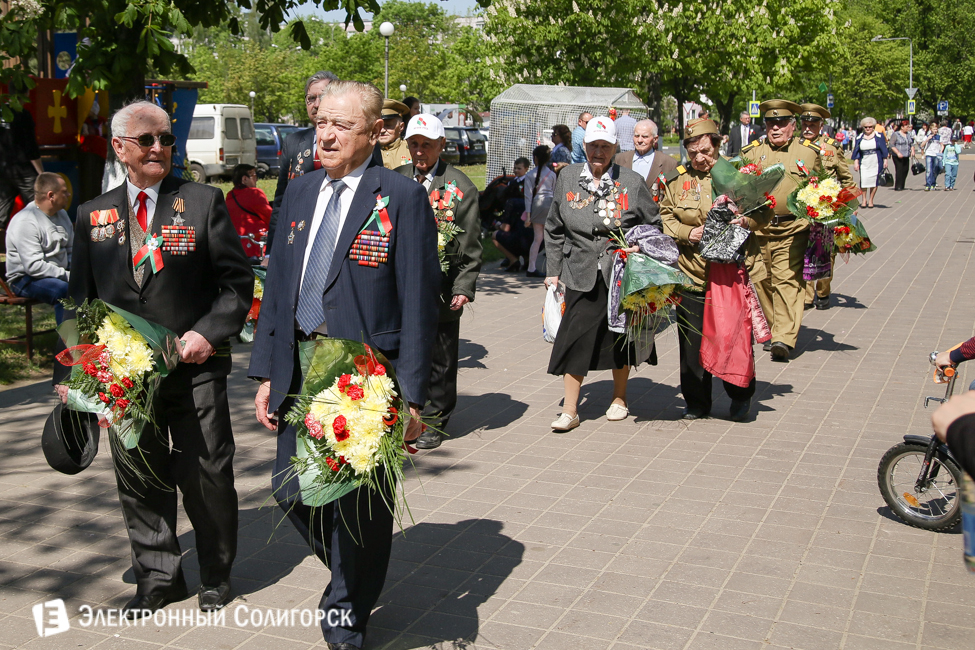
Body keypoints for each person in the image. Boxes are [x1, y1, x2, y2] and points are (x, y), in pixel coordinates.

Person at [249, 81, 439, 650]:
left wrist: (412, 396)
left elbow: (418, 302)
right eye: (320, 124)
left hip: (364, 373)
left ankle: (346, 612)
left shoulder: (399, 197)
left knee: (359, 504)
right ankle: (351, 574)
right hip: (299, 362)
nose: (326, 135)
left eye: (342, 126)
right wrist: (264, 371)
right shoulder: (301, 191)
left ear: (376, 132)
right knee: (291, 491)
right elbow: (279, 285)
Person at [54, 100, 253, 617]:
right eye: (147, 140)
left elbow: (236, 285)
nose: (159, 148)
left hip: (195, 369)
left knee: (208, 474)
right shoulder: (91, 215)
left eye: (166, 138)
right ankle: (159, 577)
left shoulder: (204, 201)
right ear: (119, 147)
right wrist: (69, 374)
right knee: (138, 475)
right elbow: (79, 301)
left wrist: (207, 334)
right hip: (126, 378)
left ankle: (216, 572)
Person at [544, 116, 659, 431]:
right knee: (574, 338)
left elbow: (653, 225)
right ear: (584, 145)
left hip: (618, 272)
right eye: (593, 145)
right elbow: (554, 228)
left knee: (619, 338)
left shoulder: (631, 182)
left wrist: (638, 245)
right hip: (578, 270)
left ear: (614, 148)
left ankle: (619, 398)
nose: (598, 152)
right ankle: (570, 410)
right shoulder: (567, 177)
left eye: (605, 146)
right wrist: (552, 271)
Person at [660, 118, 772, 421]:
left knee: (732, 337)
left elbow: (764, 211)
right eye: (693, 151)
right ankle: (697, 402)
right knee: (691, 343)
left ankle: (740, 395)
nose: (699, 158)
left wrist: (747, 222)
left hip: (729, 274)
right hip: (691, 271)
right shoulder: (676, 179)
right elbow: (665, 216)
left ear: (718, 145)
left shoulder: (735, 175)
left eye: (706, 151)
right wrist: (686, 233)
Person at [396, 113, 482, 449]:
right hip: (400, 288)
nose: (419, 151)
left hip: (441, 289)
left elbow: (471, 246)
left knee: (440, 359)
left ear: (441, 146)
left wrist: (463, 287)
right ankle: (403, 416)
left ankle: (435, 421)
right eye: (414, 144)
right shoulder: (397, 179)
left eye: (426, 145)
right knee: (402, 353)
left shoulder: (461, 187)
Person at [741, 99, 824, 362]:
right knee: (761, 280)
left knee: (787, 280)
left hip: (793, 228)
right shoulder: (751, 152)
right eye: (770, 123)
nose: (775, 128)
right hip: (759, 229)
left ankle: (783, 338)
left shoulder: (809, 152)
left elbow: (820, 187)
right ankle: (774, 327)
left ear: (792, 125)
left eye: (781, 123)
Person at [267, 70, 338, 254]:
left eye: (321, 97)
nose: (315, 104)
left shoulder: (353, 142)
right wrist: (270, 251)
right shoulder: (293, 142)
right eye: (310, 99)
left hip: (336, 237)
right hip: (297, 239)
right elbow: (281, 200)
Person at [798, 104, 855, 312]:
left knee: (826, 252)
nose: (807, 128)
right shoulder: (795, 145)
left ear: (820, 125)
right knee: (803, 250)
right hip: (802, 208)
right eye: (804, 124)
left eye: (812, 124)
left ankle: (823, 291)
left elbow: (845, 177)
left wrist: (851, 205)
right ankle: (806, 294)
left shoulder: (831, 146)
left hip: (827, 208)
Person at [4, 172, 73, 323]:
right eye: (64, 191)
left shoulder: (62, 214)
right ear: (51, 195)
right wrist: (68, 276)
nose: (68, 194)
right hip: (25, 279)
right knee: (64, 291)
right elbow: (34, 266)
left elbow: (70, 250)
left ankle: (93, 339)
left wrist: (78, 272)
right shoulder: (26, 221)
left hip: (57, 275)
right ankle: (69, 344)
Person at [0, 105, 44, 248]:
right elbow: (30, 147)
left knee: (1, 211)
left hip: (4, 168)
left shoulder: (2, 112)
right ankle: (40, 243)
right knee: (38, 207)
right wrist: (41, 173)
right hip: (23, 169)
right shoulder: (23, 114)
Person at [614, 119, 679, 213]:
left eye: (645, 137)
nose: (639, 140)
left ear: (655, 139)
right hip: (626, 218)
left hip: (655, 219)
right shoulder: (619, 159)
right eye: (636, 136)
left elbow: (674, 197)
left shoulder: (669, 164)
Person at [522, 145, 556, 278]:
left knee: (537, 238)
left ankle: (531, 267)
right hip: (550, 206)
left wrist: (528, 216)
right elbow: (554, 192)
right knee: (550, 239)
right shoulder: (552, 174)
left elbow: (528, 196)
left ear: (535, 158)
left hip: (536, 206)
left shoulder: (530, 175)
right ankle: (552, 269)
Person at [493, 157, 532, 271]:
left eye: (519, 168)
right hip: (514, 213)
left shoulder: (527, 182)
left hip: (521, 211)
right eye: (515, 168)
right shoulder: (512, 182)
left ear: (526, 169)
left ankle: (521, 259)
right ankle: (520, 258)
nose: (516, 170)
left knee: (516, 233)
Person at [226, 163, 271, 260]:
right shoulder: (254, 194)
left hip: (237, 249)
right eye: (254, 176)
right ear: (244, 179)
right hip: (256, 247)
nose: (256, 179)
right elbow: (271, 219)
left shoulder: (230, 196)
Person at [851, 117, 888, 208]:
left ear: (873, 127)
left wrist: (885, 160)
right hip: (864, 161)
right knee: (864, 181)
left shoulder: (879, 136)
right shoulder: (859, 137)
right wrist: (856, 162)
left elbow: (883, 149)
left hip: (875, 161)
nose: (868, 129)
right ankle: (864, 199)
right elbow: (857, 151)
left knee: (874, 181)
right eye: (866, 127)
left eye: (870, 127)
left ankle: (871, 199)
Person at [378, 98, 411, 170]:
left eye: (388, 125)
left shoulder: (411, 150)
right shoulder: (366, 152)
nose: (382, 130)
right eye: (379, 126)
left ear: (401, 127)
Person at [889, 120, 913, 192]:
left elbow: (911, 143)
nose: (908, 128)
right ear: (902, 127)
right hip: (897, 155)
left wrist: (913, 151)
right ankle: (898, 186)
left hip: (906, 155)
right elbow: (891, 144)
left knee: (905, 170)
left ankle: (902, 185)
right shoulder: (896, 134)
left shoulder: (908, 135)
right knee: (899, 170)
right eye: (906, 126)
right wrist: (898, 152)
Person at [921, 121, 943, 191]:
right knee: (928, 170)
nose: (935, 131)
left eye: (936, 129)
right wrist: (927, 139)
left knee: (935, 169)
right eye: (934, 129)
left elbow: (942, 145)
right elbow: (922, 145)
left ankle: (933, 183)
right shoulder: (927, 136)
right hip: (929, 154)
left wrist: (940, 152)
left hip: (936, 155)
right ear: (930, 129)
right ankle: (928, 185)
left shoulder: (939, 137)